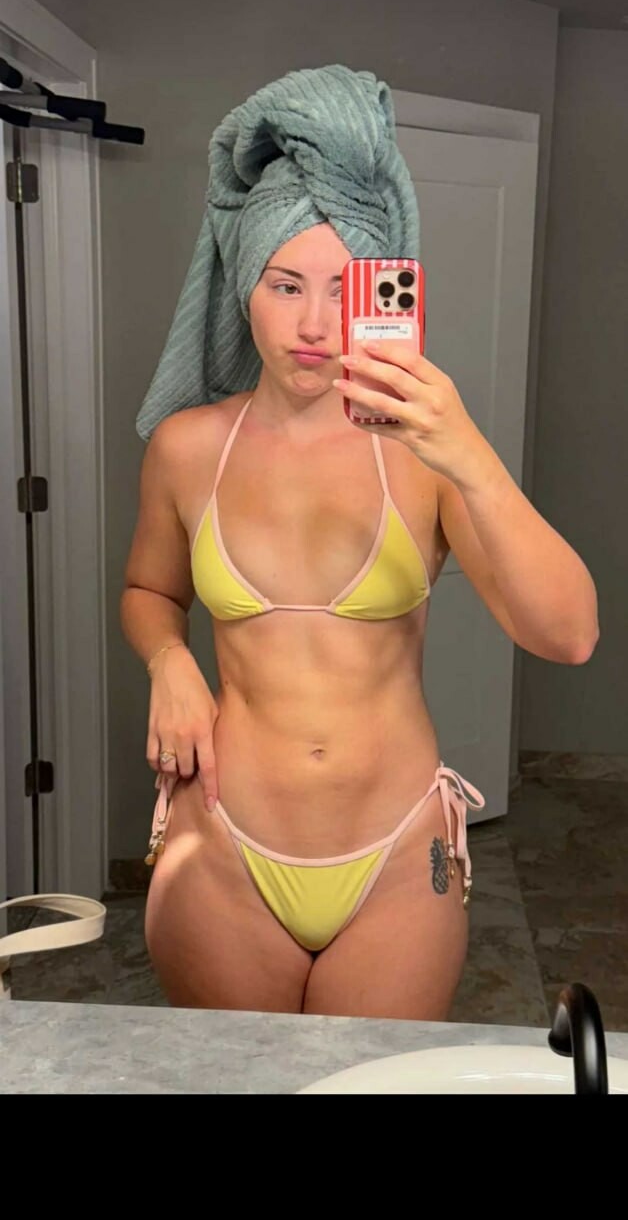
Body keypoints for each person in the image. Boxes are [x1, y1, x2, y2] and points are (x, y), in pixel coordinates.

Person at [121, 67, 599, 1019]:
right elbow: (149, 591)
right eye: (285, 284)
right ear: (243, 286)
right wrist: (169, 659)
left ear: (387, 293)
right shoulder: (186, 448)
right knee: (237, 1084)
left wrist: (469, 456)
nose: (312, 325)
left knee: (373, 1082)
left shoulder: (426, 456)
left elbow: (569, 634)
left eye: (345, 289)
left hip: (395, 854)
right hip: (223, 845)